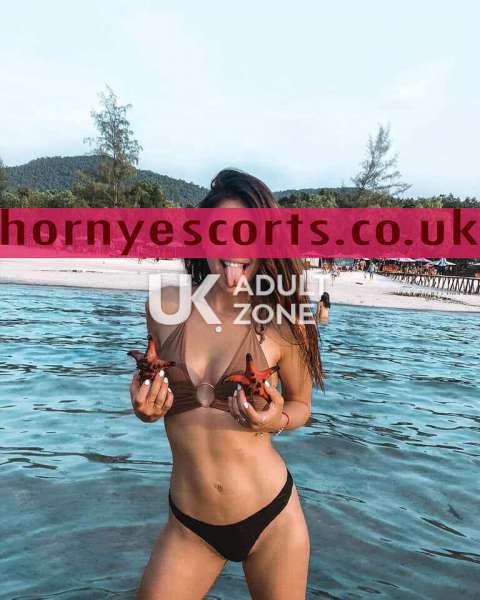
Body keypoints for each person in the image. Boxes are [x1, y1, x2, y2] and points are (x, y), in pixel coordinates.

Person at [130, 169, 323, 600]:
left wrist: (276, 420)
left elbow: (302, 405)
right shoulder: (164, 307)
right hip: (189, 526)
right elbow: (150, 376)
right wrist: (142, 407)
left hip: (271, 520)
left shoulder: (285, 322)